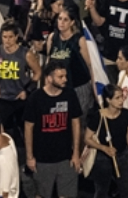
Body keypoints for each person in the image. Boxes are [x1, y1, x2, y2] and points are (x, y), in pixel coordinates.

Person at [23, 61, 83, 198]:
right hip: (42, 159)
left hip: (66, 158)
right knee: (42, 195)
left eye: (65, 76)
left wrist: (76, 153)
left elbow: (76, 123)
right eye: (60, 77)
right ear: (49, 78)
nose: (65, 79)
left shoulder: (70, 94)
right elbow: (28, 128)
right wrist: (29, 157)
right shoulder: (36, 98)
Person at [85, 83, 128, 198]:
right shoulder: (98, 116)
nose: (121, 100)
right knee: (101, 191)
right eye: (117, 98)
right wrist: (104, 148)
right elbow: (87, 138)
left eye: (122, 97)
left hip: (123, 155)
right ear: (108, 100)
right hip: (103, 158)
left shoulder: (126, 114)